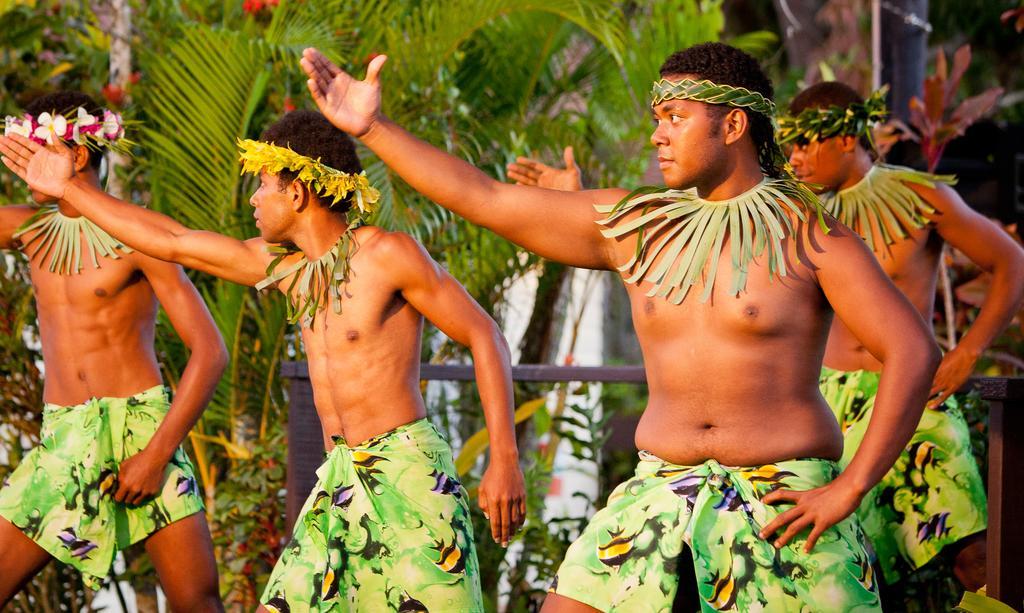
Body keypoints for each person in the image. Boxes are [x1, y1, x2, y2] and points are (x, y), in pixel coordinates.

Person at [297, 41, 942, 611]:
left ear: (733, 124)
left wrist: (850, 488)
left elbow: (913, 350)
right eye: (656, 120)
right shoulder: (635, 227)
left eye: (675, 118)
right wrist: (374, 128)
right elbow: (484, 199)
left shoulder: (809, 236)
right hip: (659, 491)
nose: (658, 135)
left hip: (784, 501)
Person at [1, 108, 526, 612]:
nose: (254, 199)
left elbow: (485, 336)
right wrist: (69, 189)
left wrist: (503, 458)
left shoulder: (388, 255)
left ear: (296, 192)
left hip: (410, 475)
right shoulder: (287, 269)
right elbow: (175, 241)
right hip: (339, 480)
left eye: (263, 186)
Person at [781, 81, 1024, 590]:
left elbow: (1012, 262)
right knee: (834, 557)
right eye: (791, 144)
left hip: (914, 395)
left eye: (805, 143)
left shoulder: (920, 197)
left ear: (847, 139)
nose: (795, 157)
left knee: (974, 555)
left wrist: (969, 351)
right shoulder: (799, 214)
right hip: (828, 404)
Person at [0, 91, 226, 611]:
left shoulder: (139, 235)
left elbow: (210, 351)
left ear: (77, 156)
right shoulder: (30, 230)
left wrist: (156, 455)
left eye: (36, 150)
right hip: (64, 437)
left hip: (144, 429)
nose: (24, 165)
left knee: (197, 602)